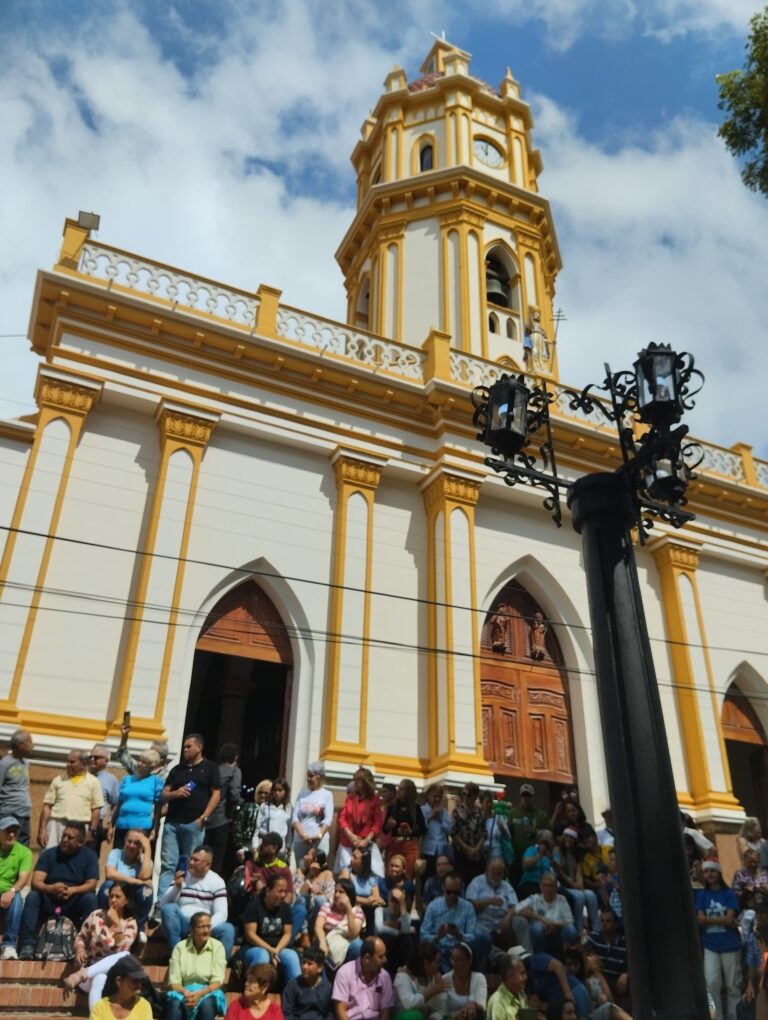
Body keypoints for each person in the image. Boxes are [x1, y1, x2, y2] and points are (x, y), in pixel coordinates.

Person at [18, 820, 99, 959]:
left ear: (80, 842)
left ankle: (87, 945)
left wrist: (73, 890)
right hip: (50, 899)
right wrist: (51, 888)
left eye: (70, 837)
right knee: (33, 896)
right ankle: (27, 945)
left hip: (74, 900)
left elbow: (92, 883)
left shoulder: (89, 856)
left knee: (90, 898)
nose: (65, 840)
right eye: (64, 836)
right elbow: (36, 881)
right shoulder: (49, 854)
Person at [159, 733, 221, 898]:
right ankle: (162, 902)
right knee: (168, 865)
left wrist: (203, 817)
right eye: (184, 747)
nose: (185, 749)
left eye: (189, 746)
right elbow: (163, 795)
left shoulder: (210, 768)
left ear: (199, 748)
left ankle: (185, 898)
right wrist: (175, 793)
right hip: (172, 823)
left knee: (191, 865)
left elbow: (216, 794)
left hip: (194, 824)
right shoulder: (177, 769)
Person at [63, 882, 138, 1010]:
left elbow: (123, 947)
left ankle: (80, 975)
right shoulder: (97, 916)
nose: (113, 900)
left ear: (127, 900)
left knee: (125, 955)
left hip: (116, 980)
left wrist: (116, 924)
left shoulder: (130, 923)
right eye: (111, 896)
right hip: (89, 975)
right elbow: (80, 937)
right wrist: (80, 949)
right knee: (99, 977)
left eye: (117, 897)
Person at [159, 844, 235, 962]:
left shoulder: (217, 881)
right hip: (185, 924)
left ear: (207, 864)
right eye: (191, 858)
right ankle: (178, 954)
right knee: (169, 909)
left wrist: (204, 927)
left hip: (206, 926)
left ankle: (218, 967)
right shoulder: (182, 875)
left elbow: (222, 913)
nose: (191, 862)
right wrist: (176, 887)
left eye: (196, 860)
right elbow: (163, 905)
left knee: (228, 929)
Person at [696, 859, 741, 1020]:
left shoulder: (729, 894)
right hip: (710, 945)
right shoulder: (702, 895)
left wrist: (707, 919)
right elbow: (700, 919)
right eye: (706, 871)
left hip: (730, 944)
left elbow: (730, 919)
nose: (709, 874)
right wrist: (721, 920)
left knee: (732, 985)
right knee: (712, 982)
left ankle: (734, 1016)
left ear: (719, 873)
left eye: (712, 871)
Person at [419, 871, 490, 972]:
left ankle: (478, 974)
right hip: (440, 948)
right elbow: (423, 936)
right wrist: (437, 936)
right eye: (449, 892)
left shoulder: (467, 907)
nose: (452, 896)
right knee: (433, 951)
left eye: (456, 893)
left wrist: (459, 935)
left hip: (461, 946)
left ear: (461, 890)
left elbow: (472, 935)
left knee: (485, 938)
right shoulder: (433, 907)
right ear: (443, 888)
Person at [166, 911, 227, 1020]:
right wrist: (186, 993)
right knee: (175, 1005)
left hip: (208, 992)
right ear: (192, 929)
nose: (206, 930)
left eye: (208, 926)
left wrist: (201, 994)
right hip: (184, 992)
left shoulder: (218, 947)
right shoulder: (180, 948)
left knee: (207, 1005)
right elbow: (174, 982)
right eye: (201, 927)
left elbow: (217, 980)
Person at [466, 858, 530, 960]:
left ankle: (527, 956)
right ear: (487, 871)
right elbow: (469, 906)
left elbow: (515, 906)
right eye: (493, 873)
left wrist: (507, 918)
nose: (496, 877)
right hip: (482, 923)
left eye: (499, 874)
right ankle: (500, 958)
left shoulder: (506, 886)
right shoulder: (476, 883)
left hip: (502, 922)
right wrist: (488, 901)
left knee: (521, 921)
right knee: (478, 935)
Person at [240, 873, 301, 981]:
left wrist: (276, 950)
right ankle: (254, 990)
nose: (283, 895)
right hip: (254, 947)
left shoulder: (286, 908)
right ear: (268, 891)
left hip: (278, 948)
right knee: (263, 955)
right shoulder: (254, 906)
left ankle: (296, 994)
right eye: (280, 891)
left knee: (292, 956)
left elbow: (287, 934)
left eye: (285, 892)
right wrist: (270, 950)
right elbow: (250, 935)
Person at [38, 750, 104, 849]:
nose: (68, 765)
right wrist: (42, 830)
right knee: (49, 855)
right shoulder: (58, 779)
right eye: (67, 761)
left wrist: (91, 831)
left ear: (83, 764)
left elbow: (96, 810)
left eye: (72, 762)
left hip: (80, 828)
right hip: (56, 825)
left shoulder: (94, 782)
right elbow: (47, 806)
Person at [100, 829, 154, 933]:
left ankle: (140, 928)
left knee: (148, 890)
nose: (132, 845)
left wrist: (147, 849)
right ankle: (102, 921)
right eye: (129, 841)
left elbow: (144, 876)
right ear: (124, 840)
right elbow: (110, 874)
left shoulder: (145, 860)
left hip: (133, 896)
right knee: (106, 886)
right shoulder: (116, 853)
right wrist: (134, 881)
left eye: (137, 843)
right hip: (116, 891)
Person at [336, 768, 385, 877]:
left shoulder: (375, 800)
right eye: (355, 780)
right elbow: (341, 819)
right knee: (345, 873)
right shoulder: (350, 798)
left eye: (359, 780)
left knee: (368, 873)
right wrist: (350, 835)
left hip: (365, 843)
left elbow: (378, 822)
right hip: (348, 842)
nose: (356, 782)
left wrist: (367, 840)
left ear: (366, 782)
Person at [111, 750, 164, 849]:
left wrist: (155, 829)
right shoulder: (127, 779)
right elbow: (119, 804)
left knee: (138, 859)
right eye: (140, 760)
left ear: (151, 767)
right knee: (118, 857)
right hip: (122, 825)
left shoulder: (156, 781)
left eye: (144, 763)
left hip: (142, 827)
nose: (140, 764)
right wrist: (111, 825)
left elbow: (158, 807)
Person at [332, 935, 394, 1020]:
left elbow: (385, 1011)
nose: (385, 960)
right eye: (380, 956)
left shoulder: (385, 977)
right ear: (367, 958)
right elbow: (340, 1010)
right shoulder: (344, 973)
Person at [204, 743, 242, 877]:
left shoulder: (214, 769)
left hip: (206, 818)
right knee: (217, 857)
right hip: (223, 819)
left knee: (205, 852)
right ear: (235, 757)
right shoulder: (234, 772)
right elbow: (234, 794)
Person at [517, 873, 578, 956]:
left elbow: (570, 921)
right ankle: (540, 957)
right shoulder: (534, 898)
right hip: (541, 936)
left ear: (556, 887)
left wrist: (554, 925)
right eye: (545, 885)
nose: (548, 889)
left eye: (551, 886)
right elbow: (518, 909)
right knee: (536, 928)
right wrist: (542, 919)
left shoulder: (562, 899)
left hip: (558, 936)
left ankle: (568, 956)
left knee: (571, 930)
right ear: (540, 886)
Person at [375, 854, 415, 973]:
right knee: (386, 938)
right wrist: (398, 928)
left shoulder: (408, 886)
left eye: (397, 866)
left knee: (408, 939)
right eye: (391, 866)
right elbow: (379, 928)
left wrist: (402, 905)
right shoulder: (380, 910)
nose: (394, 903)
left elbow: (406, 930)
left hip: (400, 947)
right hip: (387, 947)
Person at [553, 827, 598, 933]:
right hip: (563, 885)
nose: (569, 839)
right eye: (567, 837)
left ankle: (596, 929)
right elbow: (558, 871)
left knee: (590, 894)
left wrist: (579, 885)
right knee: (580, 896)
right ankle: (579, 928)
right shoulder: (557, 850)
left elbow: (578, 873)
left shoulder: (576, 854)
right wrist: (574, 885)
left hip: (574, 885)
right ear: (563, 837)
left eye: (572, 838)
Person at [0, 815, 32, 959]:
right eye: (8, 831)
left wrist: (11, 891)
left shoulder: (24, 852)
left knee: (17, 898)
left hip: (8, 891)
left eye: (14, 831)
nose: (12, 834)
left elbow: (23, 879)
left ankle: (9, 946)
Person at [315, 879, 365, 969]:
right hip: (327, 944)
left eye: (341, 892)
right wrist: (322, 943)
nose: (337, 895)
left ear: (349, 895)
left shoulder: (357, 911)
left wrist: (349, 909)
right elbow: (318, 927)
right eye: (335, 891)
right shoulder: (327, 906)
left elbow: (353, 934)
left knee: (358, 945)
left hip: (346, 946)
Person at [393, 940, 448, 1020]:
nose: (438, 966)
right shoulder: (403, 977)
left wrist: (433, 1018)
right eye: (436, 963)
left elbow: (441, 1010)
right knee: (414, 1016)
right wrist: (435, 990)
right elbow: (410, 1004)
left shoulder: (435, 977)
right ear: (426, 964)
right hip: (406, 1017)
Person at [89, 953, 153, 1020]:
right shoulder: (100, 1007)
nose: (139, 984)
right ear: (119, 981)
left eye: (140, 980)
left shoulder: (143, 1006)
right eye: (134, 980)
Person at [383, 780, 426, 880]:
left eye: (402, 789)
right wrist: (388, 826)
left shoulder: (416, 808)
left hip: (409, 846)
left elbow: (423, 830)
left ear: (409, 792)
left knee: (408, 876)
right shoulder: (392, 807)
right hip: (394, 845)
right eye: (398, 788)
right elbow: (385, 830)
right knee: (392, 875)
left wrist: (411, 832)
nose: (398, 791)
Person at [292, 764, 334, 865]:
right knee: (301, 870)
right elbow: (294, 818)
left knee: (318, 869)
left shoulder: (327, 794)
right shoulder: (302, 794)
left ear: (319, 777)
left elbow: (328, 819)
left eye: (311, 776)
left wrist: (319, 835)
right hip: (301, 840)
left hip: (319, 841)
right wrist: (303, 835)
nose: (308, 778)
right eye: (308, 775)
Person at [0, 730, 33, 846]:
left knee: (23, 844)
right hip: (9, 812)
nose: (32, 745)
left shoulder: (25, 763)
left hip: (24, 813)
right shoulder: (5, 763)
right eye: (29, 742)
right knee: (7, 844)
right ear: (20, 745)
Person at [283, 945, 333, 1020]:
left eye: (309, 964)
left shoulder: (328, 988)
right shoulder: (293, 985)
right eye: (303, 962)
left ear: (320, 968)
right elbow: (287, 1013)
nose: (304, 967)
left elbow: (330, 1014)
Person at [340, 847, 384, 933]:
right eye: (352, 856)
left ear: (364, 861)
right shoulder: (346, 872)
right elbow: (343, 895)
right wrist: (366, 901)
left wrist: (359, 900)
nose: (351, 859)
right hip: (351, 909)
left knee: (375, 910)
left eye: (355, 857)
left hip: (368, 910)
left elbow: (376, 898)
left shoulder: (372, 876)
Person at [586, 909, 628, 999]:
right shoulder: (593, 938)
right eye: (602, 921)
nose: (604, 924)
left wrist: (625, 974)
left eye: (608, 921)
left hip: (617, 980)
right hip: (599, 979)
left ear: (615, 924)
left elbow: (633, 964)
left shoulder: (624, 943)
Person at [440, 942, 487, 1020]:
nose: (454, 963)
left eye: (459, 959)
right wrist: (455, 1017)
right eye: (452, 958)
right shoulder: (444, 980)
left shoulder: (479, 978)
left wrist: (473, 1006)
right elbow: (441, 1012)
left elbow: (481, 1008)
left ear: (469, 962)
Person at [89, 745, 120, 858]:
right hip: (78, 820)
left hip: (96, 823)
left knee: (91, 856)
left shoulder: (110, 780)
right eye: (90, 757)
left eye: (96, 757)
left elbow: (115, 803)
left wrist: (110, 823)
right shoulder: (83, 775)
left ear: (106, 761)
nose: (92, 759)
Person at [450, 785, 485, 886]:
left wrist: (475, 849)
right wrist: (467, 848)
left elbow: (484, 833)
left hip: (476, 853)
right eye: (463, 794)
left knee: (475, 882)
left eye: (468, 795)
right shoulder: (457, 811)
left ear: (475, 796)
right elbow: (453, 832)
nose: (465, 797)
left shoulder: (479, 812)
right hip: (461, 852)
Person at [252, 777, 292, 859]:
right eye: (275, 790)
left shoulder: (288, 808)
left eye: (280, 790)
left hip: (280, 849)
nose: (277, 793)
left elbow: (289, 832)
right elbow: (257, 828)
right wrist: (255, 847)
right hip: (264, 846)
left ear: (285, 792)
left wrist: (288, 848)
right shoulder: (265, 806)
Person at [420, 785, 452, 878]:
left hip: (441, 851)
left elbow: (450, 830)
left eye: (439, 797)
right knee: (427, 877)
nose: (437, 799)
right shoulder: (422, 810)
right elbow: (420, 829)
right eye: (435, 796)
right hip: (427, 850)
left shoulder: (444, 812)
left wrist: (440, 819)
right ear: (428, 797)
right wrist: (431, 815)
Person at [486, 954, 528, 1020]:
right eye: (522, 973)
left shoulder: (521, 994)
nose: (526, 977)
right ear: (509, 977)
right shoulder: (497, 1002)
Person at [519, 830, 555, 899]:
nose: (547, 842)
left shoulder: (553, 853)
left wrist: (551, 859)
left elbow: (558, 871)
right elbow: (525, 865)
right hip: (531, 882)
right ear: (539, 841)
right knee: (536, 897)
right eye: (545, 840)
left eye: (550, 838)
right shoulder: (531, 850)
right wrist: (540, 854)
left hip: (549, 884)